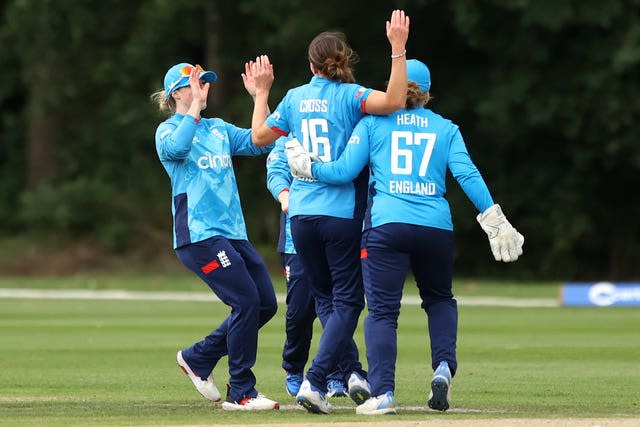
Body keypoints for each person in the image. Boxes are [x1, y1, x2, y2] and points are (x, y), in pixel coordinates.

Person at [286, 59, 525, 415]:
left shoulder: (373, 123)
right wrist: (494, 217)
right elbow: (467, 174)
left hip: (387, 226)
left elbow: (343, 172)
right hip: (435, 226)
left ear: (394, 86)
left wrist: (308, 166)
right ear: (428, 93)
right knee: (440, 299)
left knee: (382, 313)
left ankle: (383, 394)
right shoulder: (446, 128)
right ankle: (443, 367)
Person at [250, 9, 411, 414]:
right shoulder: (352, 96)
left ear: (310, 65)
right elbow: (394, 100)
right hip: (340, 215)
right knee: (350, 302)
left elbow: (257, 137)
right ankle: (316, 380)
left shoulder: (295, 98)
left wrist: (260, 95)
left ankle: (345, 372)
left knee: (326, 299)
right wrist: (397, 48)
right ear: (344, 61)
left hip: (300, 216)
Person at [151, 61, 279, 411]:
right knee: (245, 302)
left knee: (264, 304)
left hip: (233, 234)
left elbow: (260, 141)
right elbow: (177, 148)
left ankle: (198, 357)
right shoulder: (168, 131)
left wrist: (260, 96)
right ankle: (242, 391)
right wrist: (193, 109)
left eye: (205, 82)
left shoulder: (218, 128)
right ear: (177, 92)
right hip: (199, 235)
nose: (203, 88)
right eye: (194, 83)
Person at [265, 138, 349, 399]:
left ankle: (336, 373)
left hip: (335, 230)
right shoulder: (288, 136)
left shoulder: (338, 129)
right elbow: (276, 170)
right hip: (297, 236)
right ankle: (294, 368)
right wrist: (284, 194)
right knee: (300, 310)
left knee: (337, 306)